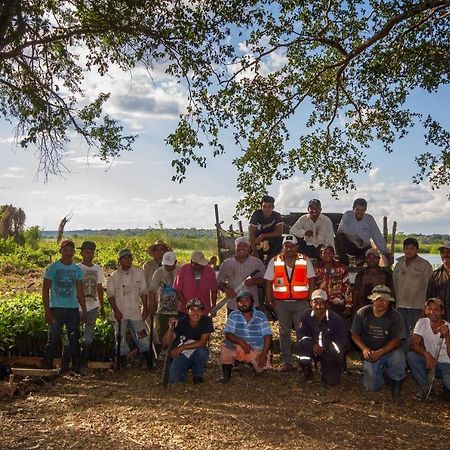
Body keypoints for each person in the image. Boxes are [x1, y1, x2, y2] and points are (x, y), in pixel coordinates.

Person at [265, 234, 315, 371]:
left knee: (302, 332)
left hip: (301, 303)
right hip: (281, 303)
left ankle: (302, 361)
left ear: (297, 247)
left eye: (292, 246)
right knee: (284, 332)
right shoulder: (274, 261)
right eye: (287, 246)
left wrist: (310, 299)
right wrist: (269, 300)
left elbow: (311, 280)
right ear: (283, 247)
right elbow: (268, 282)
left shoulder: (305, 260)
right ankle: (286, 361)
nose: (289, 249)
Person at [351, 285, 406, 403]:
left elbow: (397, 340)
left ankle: (396, 387)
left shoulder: (396, 316)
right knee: (372, 387)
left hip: (389, 351)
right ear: (372, 300)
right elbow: (354, 334)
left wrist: (381, 352)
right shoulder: (363, 312)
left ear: (389, 301)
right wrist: (364, 349)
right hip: (370, 352)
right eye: (378, 299)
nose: (381, 303)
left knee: (399, 357)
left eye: (384, 300)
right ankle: (383, 375)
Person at [42, 240, 87, 374]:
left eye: (70, 250)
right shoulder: (52, 268)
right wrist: (47, 311)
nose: (68, 253)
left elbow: (80, 291)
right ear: (60, 251)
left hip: (72, 309)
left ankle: (76, 368)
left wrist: (84, 310)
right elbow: (45, 290)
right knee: (53, 338)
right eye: (65, 250)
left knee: (74, 338)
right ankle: (47, 367)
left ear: (74, 252)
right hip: (56, 308)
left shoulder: (77, 270)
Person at [107, 248, 152, 369]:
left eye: (129, 257)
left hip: (135, 311)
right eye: (124, 258)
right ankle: (122, 362)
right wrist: (116, 311)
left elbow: (143, 292)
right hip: (120, 311)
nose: (127, 260)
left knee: (142, 335)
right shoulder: (114, 276)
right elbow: (110, 295)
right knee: (120, 337)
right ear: (120, 260)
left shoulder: (138, 273)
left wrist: (145, 308)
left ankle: (148, 361)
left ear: (131, 259)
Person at [219, 291, 272, 383]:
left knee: (261, 367)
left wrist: (264, 354)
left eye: (246, 300)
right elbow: (228, 334)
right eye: (240, 301)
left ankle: (253, 365)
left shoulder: (260, 316)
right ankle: (226, 376)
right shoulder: (234, 315)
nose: (243, 303)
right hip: (241, 347)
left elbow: (268, 335)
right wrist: (242, 343)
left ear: (252, 303)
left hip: (257, 349)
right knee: (225, 345)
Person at [297, 289, 347, 385]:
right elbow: (302, 335)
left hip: (329, 352)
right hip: (312, 349)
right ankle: (306, 369)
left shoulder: (336, 319)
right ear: (311, 303)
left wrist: (327, 349)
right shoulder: (305, 317)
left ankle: (330, 369)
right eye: (315, 303)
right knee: (301, 346)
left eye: (322, 303)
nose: (318, 306)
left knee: (331, 382)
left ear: (327, 304)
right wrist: (313, 346)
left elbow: (341, 341)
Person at [393, 237, 433, 353]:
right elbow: (395, 284)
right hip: (400, 306)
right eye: (406, 248)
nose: (409, 251)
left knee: (417, 335)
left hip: (417, 306)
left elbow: (429, 287)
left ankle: (416, 359)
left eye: (412, 248)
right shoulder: (399, 264)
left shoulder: (425, 265)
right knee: (402, 334)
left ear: (417, 249)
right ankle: (404, 360)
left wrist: (425, 307)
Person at [162, 298, 214, 384]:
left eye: (198, 310)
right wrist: (170, 329)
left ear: (202, 312)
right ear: (187, 311)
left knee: (202, 352)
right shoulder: (181, 322)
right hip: (182, 354)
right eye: (192, 310)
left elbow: (202, 342)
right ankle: (182, 371)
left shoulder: (206, 321)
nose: (195, 313)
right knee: (173, 379)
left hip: (195, 350)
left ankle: (198, 374)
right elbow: (165, 343)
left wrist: (182, 347)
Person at [407, 298, 450, 400]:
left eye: (436, 309)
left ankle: (445, 386)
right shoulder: (422, 322)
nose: (432, 312)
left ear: (442, 312)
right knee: (411, 357)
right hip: (431, 361)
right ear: (425, 310)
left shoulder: (448, 327)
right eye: (429, 309)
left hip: (447, 364)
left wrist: (447, 337)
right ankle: (426, 388)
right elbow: (413, 345)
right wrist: (426, 354)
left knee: (448, 383)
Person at [217, 237, 266, 314]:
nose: (242, 248)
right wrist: (226, 289)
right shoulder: (226, 263)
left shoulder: (257, 262)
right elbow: (219, 282)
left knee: (252, 326)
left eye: (245, 246)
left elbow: (265, 280)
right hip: (233, 305)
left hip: (252, 305)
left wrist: (255, 281)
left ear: (249, 248)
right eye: (239, 246)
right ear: (235, 248)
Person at [76, 241, 105, 371]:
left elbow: (99, 288)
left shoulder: (97, 269)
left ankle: (83, 363)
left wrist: (102, 306)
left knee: (88, 336)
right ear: (81, 253)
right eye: (86, 252)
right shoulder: (77, 268)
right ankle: (70, 363)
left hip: (93, 306)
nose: (89, 255)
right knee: (72, 335)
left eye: (91, 252)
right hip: (77, 307)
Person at [335, 198, 390, 265]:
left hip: (364, 247)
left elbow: (377, 235)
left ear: (365, 210)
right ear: (353, 209)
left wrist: (385, 251)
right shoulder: (347, 215)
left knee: (368, 253)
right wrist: (356, 238)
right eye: (357, 209)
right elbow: (341, 229)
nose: (359, 212)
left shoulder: (369, 219)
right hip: (350, 245)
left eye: (362, 210)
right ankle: (344, 263)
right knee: (340, 237)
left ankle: (360, 264)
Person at [148, 251, 180, 350]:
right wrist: (152, 304)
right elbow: (152, 290)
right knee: (161, 334)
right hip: (162, 309)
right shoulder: (159, 272)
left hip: (178, 308)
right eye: (166, 264)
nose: (168, 267)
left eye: (170, 265)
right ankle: (160, 353)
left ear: (175, 262)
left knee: (177, 334)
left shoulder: (180, 271)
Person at [173, 251, 217, 316]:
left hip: (203, 309)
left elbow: (214, 289)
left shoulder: (209, 270)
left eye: (201, 264)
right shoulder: (183, 269)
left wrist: (213, 306)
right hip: (185, 310)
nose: (200, 267)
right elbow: (177, 289)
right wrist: (187, 305)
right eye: (197, 265)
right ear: (192, 262)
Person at [314, 245, 352, 318]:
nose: (327, 254)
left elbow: (347, 287)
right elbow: (312, 285)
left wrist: (348, 305)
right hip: (321, 304)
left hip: (338, 304)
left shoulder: (341, 268)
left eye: (330, 252)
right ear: (321, 255)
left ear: (334, 254)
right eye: (325, 253)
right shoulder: (315, 268)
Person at [249, 195, 283, 265]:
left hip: (273, 240)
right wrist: (254, 250)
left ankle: (269, 264)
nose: (266, 209)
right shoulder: (256, 214)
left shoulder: (277, 215)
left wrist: (263, 235)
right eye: (264, 206)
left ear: (273, 207)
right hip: (258, 241)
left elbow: (279, 233)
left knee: (278, 243)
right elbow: (251, 233)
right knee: (252, 253)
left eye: (269, 206)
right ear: (261, 206)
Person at [427, 242, 450, 321]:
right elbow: (430, 299)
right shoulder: (435, 275)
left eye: (448, 252)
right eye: (443, 252)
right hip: (441, 320)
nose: (445, 255)